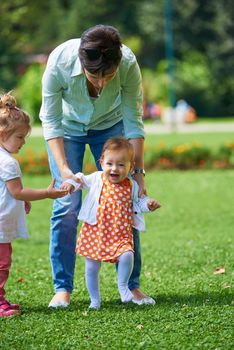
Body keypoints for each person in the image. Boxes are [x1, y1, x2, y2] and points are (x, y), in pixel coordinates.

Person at [39, 24, 154, 308]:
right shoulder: (59, 62)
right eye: (94, 76)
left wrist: (138, 174)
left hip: (110, 125)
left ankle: (131, 286)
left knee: (127, 200)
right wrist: (64, 169)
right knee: (67, 206)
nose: (102, 84)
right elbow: (50, 121)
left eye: (109, 76)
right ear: (82, 62)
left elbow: (133, 120)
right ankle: (63, 288)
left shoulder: (127, 63)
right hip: (67, 130)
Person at [62, 137, 161, 309]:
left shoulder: (131, 185)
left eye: (121, 165)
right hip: (96, 231)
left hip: (120, 233)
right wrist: (71, 183)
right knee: (91, 267)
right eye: (110, 164)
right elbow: (80, 179)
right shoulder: (97, 178)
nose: (114, 169)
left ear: (130, 167)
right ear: (101, 162)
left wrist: (148, 205)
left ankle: (123, 287)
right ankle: (95, 300)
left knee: (128, 255)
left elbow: (138, 203)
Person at [0, 93, 68, 317]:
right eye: (20, 137)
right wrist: (47, 193)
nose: (23, 142)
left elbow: (10, 193)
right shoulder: (8, 162)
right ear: (2, 134)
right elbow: (17, 191)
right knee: (2, 264)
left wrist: (21, 202)